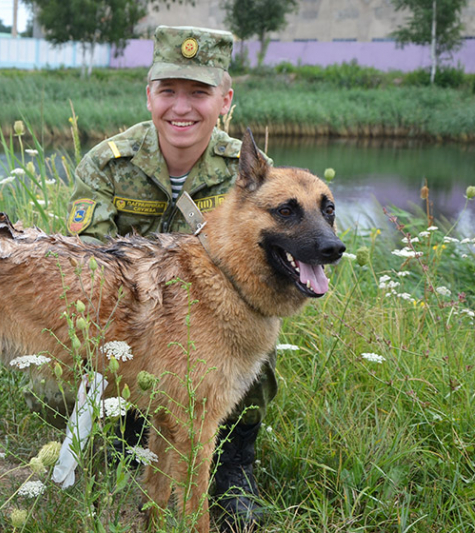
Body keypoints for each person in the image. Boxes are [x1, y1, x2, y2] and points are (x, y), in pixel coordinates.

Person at [64, 26, 275, 532]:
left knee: (245, 346)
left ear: (225, 100)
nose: (182, 107)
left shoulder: (246, 174)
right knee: (67, 343)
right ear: (149, 95)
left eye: (199, 92)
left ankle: (233, 463)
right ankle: (126, 435)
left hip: (210, 321)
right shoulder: (109, 163)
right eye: (169, 91)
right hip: (132, 320)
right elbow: (89, 260)